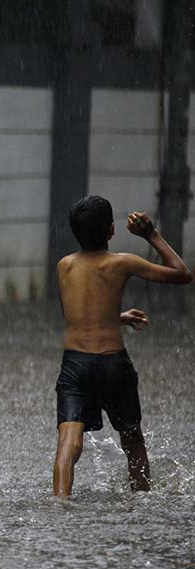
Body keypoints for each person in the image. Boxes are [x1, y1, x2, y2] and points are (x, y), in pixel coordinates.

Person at [53, 196, 192, 498]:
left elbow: (74, 316)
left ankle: (60, 503)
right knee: (132, 442)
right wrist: (151, 235)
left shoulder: (64, 266)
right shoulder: (122, 262)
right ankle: (139, 501)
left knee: (68, 442)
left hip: (75, 364)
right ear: (111, 231)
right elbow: (182, 274)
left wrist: (117, 316)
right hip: (111, 362)